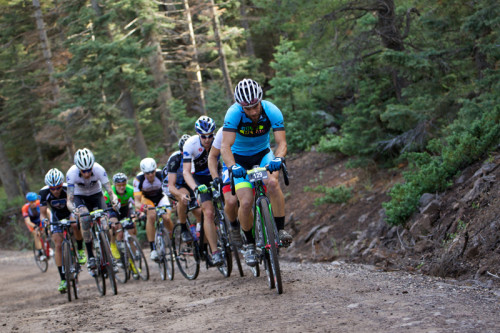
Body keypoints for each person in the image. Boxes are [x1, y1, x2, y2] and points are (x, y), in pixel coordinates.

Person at [221, 78, 293, 267]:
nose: (252, 112)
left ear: (260, 100)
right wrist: (232, 166)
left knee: (272, 183)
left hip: (263, 154)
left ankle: (280, 229)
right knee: (245, 203)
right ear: (240, 106)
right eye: (248, 108)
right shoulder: (234, 113)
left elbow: (282, 143)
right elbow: (225, 146)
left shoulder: (271, 110)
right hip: (240, 159)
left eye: (255, 106)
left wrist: (278, 158)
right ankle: (250, 245)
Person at [66, 148, 119, 272]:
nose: (87, 173)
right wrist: (74, 210)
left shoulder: (99, 169)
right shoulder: (71, 173)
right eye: (83, 171)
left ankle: (109, 252)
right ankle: (90, 256)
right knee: (84, 217)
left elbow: (110, 192)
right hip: (80, 197)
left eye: (89, 169)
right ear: (78, 168)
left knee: (106, 225)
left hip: (96, 195)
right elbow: (69, 199)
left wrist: (114, 200)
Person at [182, 116, 223, 266]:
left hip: (217, 173)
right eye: (204, 136)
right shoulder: (190, 144)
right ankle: (215, 252)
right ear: (198, 135)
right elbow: (186, 172)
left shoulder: (218, 139)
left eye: (210, 135)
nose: (207, 139)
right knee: (208, 212)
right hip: (199, 180)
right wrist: (195, 188)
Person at [39, 168, 85, 292]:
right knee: (58, 245)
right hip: (56, 217)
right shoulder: (43, 193)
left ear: (61, 185)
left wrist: (76, 215)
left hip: (69, 213)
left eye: (58, 187)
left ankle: (80, 249)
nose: (56, 191)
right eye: (52, 188)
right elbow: (43, 214)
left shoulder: (68, 188)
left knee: (75, 225)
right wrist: (45, 221)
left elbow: (74, 205)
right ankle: (63, 279)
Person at [162, 134, 202, 242]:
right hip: (175, 184)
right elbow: (171, 185)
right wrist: (180, 195)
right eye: (183, 153)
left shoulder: (199, 155)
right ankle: (184, 228)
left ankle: (200, 233)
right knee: (184, 198)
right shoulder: (175, 159)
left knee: (200, 212)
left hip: (191, 183)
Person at [133, 157, 172, 261]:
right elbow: (136, 201)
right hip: (147, 199)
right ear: (143, 173)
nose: (150, 175)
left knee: (166, 218)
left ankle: (171, 242)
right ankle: (153, 249)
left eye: (152, 172)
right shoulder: (138, 180)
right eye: (147, 173)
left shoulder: (161, 174)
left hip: (161, 197)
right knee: (151, 215)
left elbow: (171, 189)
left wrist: (174, 200)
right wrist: (142, 207)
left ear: (155, 169)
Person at [208, 127, 242, 246]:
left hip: (250, 162)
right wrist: (215, 177)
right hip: (230, 167)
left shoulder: (251, 124)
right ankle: (233, 225)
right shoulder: (222, 131)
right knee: (231, 201)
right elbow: (212, 156)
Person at [103, 173, 135, 260]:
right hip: (113, 210)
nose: (122, 187)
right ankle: (113, 244)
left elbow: (136, 203)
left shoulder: (130, 190)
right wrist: (107, 220)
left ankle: (133, 253)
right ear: (114, 185)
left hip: (125, 209)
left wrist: (137, 213)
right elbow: (104, 208)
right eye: (119, 185)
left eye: (123, 184)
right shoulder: (108, 192)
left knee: (132, 229)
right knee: (115, 225)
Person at [22, 192, 44, 259]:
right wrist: (35, 227)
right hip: (31, 222)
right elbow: (27, 221)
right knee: (36, 233)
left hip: (39, 220)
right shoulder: (25, 208)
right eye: (31, 202)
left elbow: (47, 212)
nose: (33, 203)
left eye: (34, 201)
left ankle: (47, 246)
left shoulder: (39, 203)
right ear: (28, 201)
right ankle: (40, 252)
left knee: (46, 231)